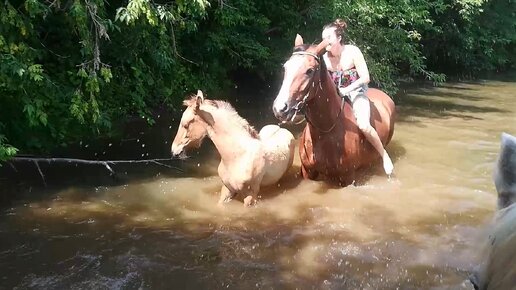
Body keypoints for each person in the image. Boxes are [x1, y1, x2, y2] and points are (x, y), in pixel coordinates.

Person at [321, 19, 394, 176]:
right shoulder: (325, 59)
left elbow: (366, 77)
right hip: (335, 96)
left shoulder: (353, 51)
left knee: (363, 125)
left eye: (328, 38)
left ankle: (384, 155)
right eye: (323, 38)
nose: (325, 42)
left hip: (356, 92)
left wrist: (347, 89)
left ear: (338, 38)